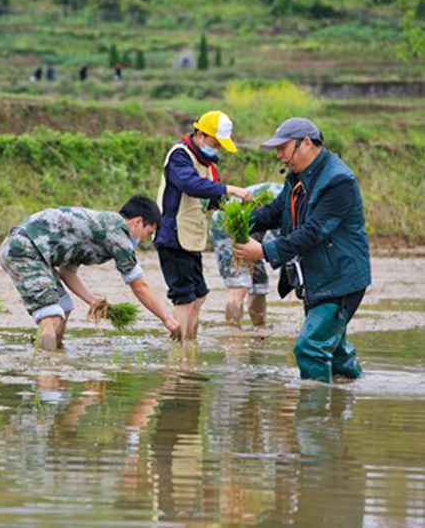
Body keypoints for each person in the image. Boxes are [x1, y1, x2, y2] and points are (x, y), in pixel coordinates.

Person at [234, 118, 370, 383]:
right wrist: (241, 221)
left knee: (309, 349)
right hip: (318, 277)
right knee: (337, 352)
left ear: (306, 143)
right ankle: (348, 394)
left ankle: (314, 419)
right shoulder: (298, 177)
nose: (280, 156)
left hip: (340, 280)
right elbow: (277, 211)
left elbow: (314, 232)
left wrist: (263, 251)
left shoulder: (338, 181)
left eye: (284, 148)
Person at [0, 196, 181, 351]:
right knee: (52, 314)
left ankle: (52, 350)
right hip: (23, 248)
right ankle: (47, 364)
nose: (145, 240)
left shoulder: (104, 226)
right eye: (148, 233)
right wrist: (166, 319)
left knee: (64, 306)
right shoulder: (118, 235)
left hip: (35, 251)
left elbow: (67, 271)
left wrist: (92, 301)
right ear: (138, 222)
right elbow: (140, 286)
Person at [155, 110, 251, 340]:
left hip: (193, 238)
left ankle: (188, 341)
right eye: (215, 142)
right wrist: (229, 188)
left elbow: (213, 199)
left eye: (220, 145)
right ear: (200, 135)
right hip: (173, 236)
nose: (216, 148)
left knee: (199, 295)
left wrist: (237, 208)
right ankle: (183, 350)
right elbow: (190, 184)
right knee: (184, 296)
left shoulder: (208, 164)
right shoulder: (180, 156)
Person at [208, 182, 283, 328]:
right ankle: (233, 335)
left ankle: (259, 329)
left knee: (260, 282)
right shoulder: (293, 202)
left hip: (254, 229)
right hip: (228, 225)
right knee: (239, 285)